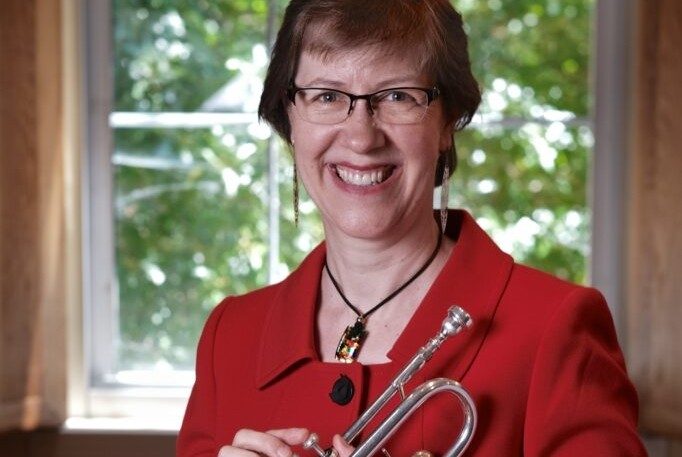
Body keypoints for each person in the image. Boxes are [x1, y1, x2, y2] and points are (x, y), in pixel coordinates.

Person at [177, 1, 646, 456]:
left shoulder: (554, 327)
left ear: (447, 123)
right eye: (326, 96)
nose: (361, 136)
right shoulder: (230, 336)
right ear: (290, 120)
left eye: (397, 96)